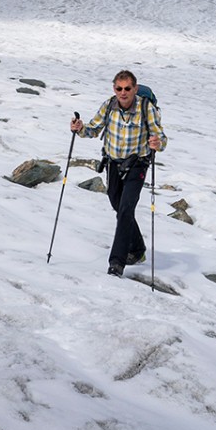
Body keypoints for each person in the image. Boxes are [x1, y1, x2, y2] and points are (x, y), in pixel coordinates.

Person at [70, 70, 167, 277]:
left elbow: (161, 138)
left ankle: (117, 262)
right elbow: (93, 129)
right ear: (114, 88)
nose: (123, 93)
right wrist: (79, 128)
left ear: (135, 88)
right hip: (113, 163)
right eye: (119, 88)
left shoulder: (145, 108)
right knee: (118, 206)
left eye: (127, 89)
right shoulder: (109, 106)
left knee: (125, 209)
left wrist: (157, 143)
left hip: (137, 164)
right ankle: (138, 250)